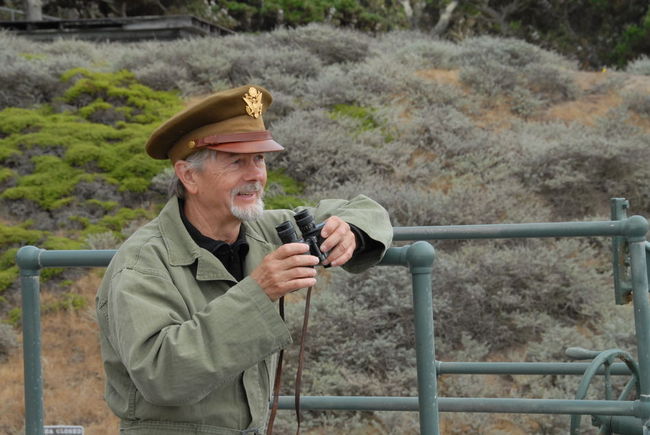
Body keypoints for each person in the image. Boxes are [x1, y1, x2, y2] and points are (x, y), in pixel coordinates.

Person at [96, 84, 393, 434]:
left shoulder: (263, 229)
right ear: (188, 175)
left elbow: (362, 208)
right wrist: (258, 292)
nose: (255, 175)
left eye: (260, 159)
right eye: (237, 161)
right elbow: (163, 375)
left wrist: (350, 230)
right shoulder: (143, 262)